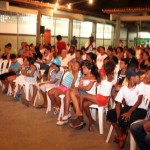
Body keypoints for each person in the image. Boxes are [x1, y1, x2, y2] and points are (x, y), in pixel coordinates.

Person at [107, 66, 147, 149]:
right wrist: (118, 118)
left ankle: (123, 135)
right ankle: (121, 135)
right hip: (129, 107)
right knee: (110, 114)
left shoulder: (141, 85)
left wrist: (129, 112)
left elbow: (139, 100)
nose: (139, 78)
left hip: (140, 109)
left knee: (124, 120)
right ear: (132, 78)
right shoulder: (124, 88)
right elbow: (118, 104)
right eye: (138, 76)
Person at [74, 60, 115, 130]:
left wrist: (91, 65)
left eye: (103, 66)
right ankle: (91, 120)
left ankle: (80, 114)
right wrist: (100, 83)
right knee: (84, 104)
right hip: (102, 98)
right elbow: (108, 84)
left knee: (82, 96)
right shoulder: (112, 77)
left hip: (102, 98)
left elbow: (97, 73)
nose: (102, 67)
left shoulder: (103, 76)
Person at [68, 60, 100, 128]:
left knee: (73, 95)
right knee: (73, 94)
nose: (83, 70)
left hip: (90, 96)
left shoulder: (92, 77)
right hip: (83, 94)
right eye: (82, 68)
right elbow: (79, 86)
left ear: (90, 70)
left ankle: (79, 115)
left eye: (84, 68)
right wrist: (81, 87)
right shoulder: (83, 76)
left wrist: (81, 87)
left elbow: (88, 88)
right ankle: (79, 115)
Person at [130, 66, 150, 150]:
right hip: (145, 113)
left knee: (148, 138)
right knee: (134, 127)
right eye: (147, 73)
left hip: (145, 113)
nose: (148, 76)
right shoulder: (140, 84)